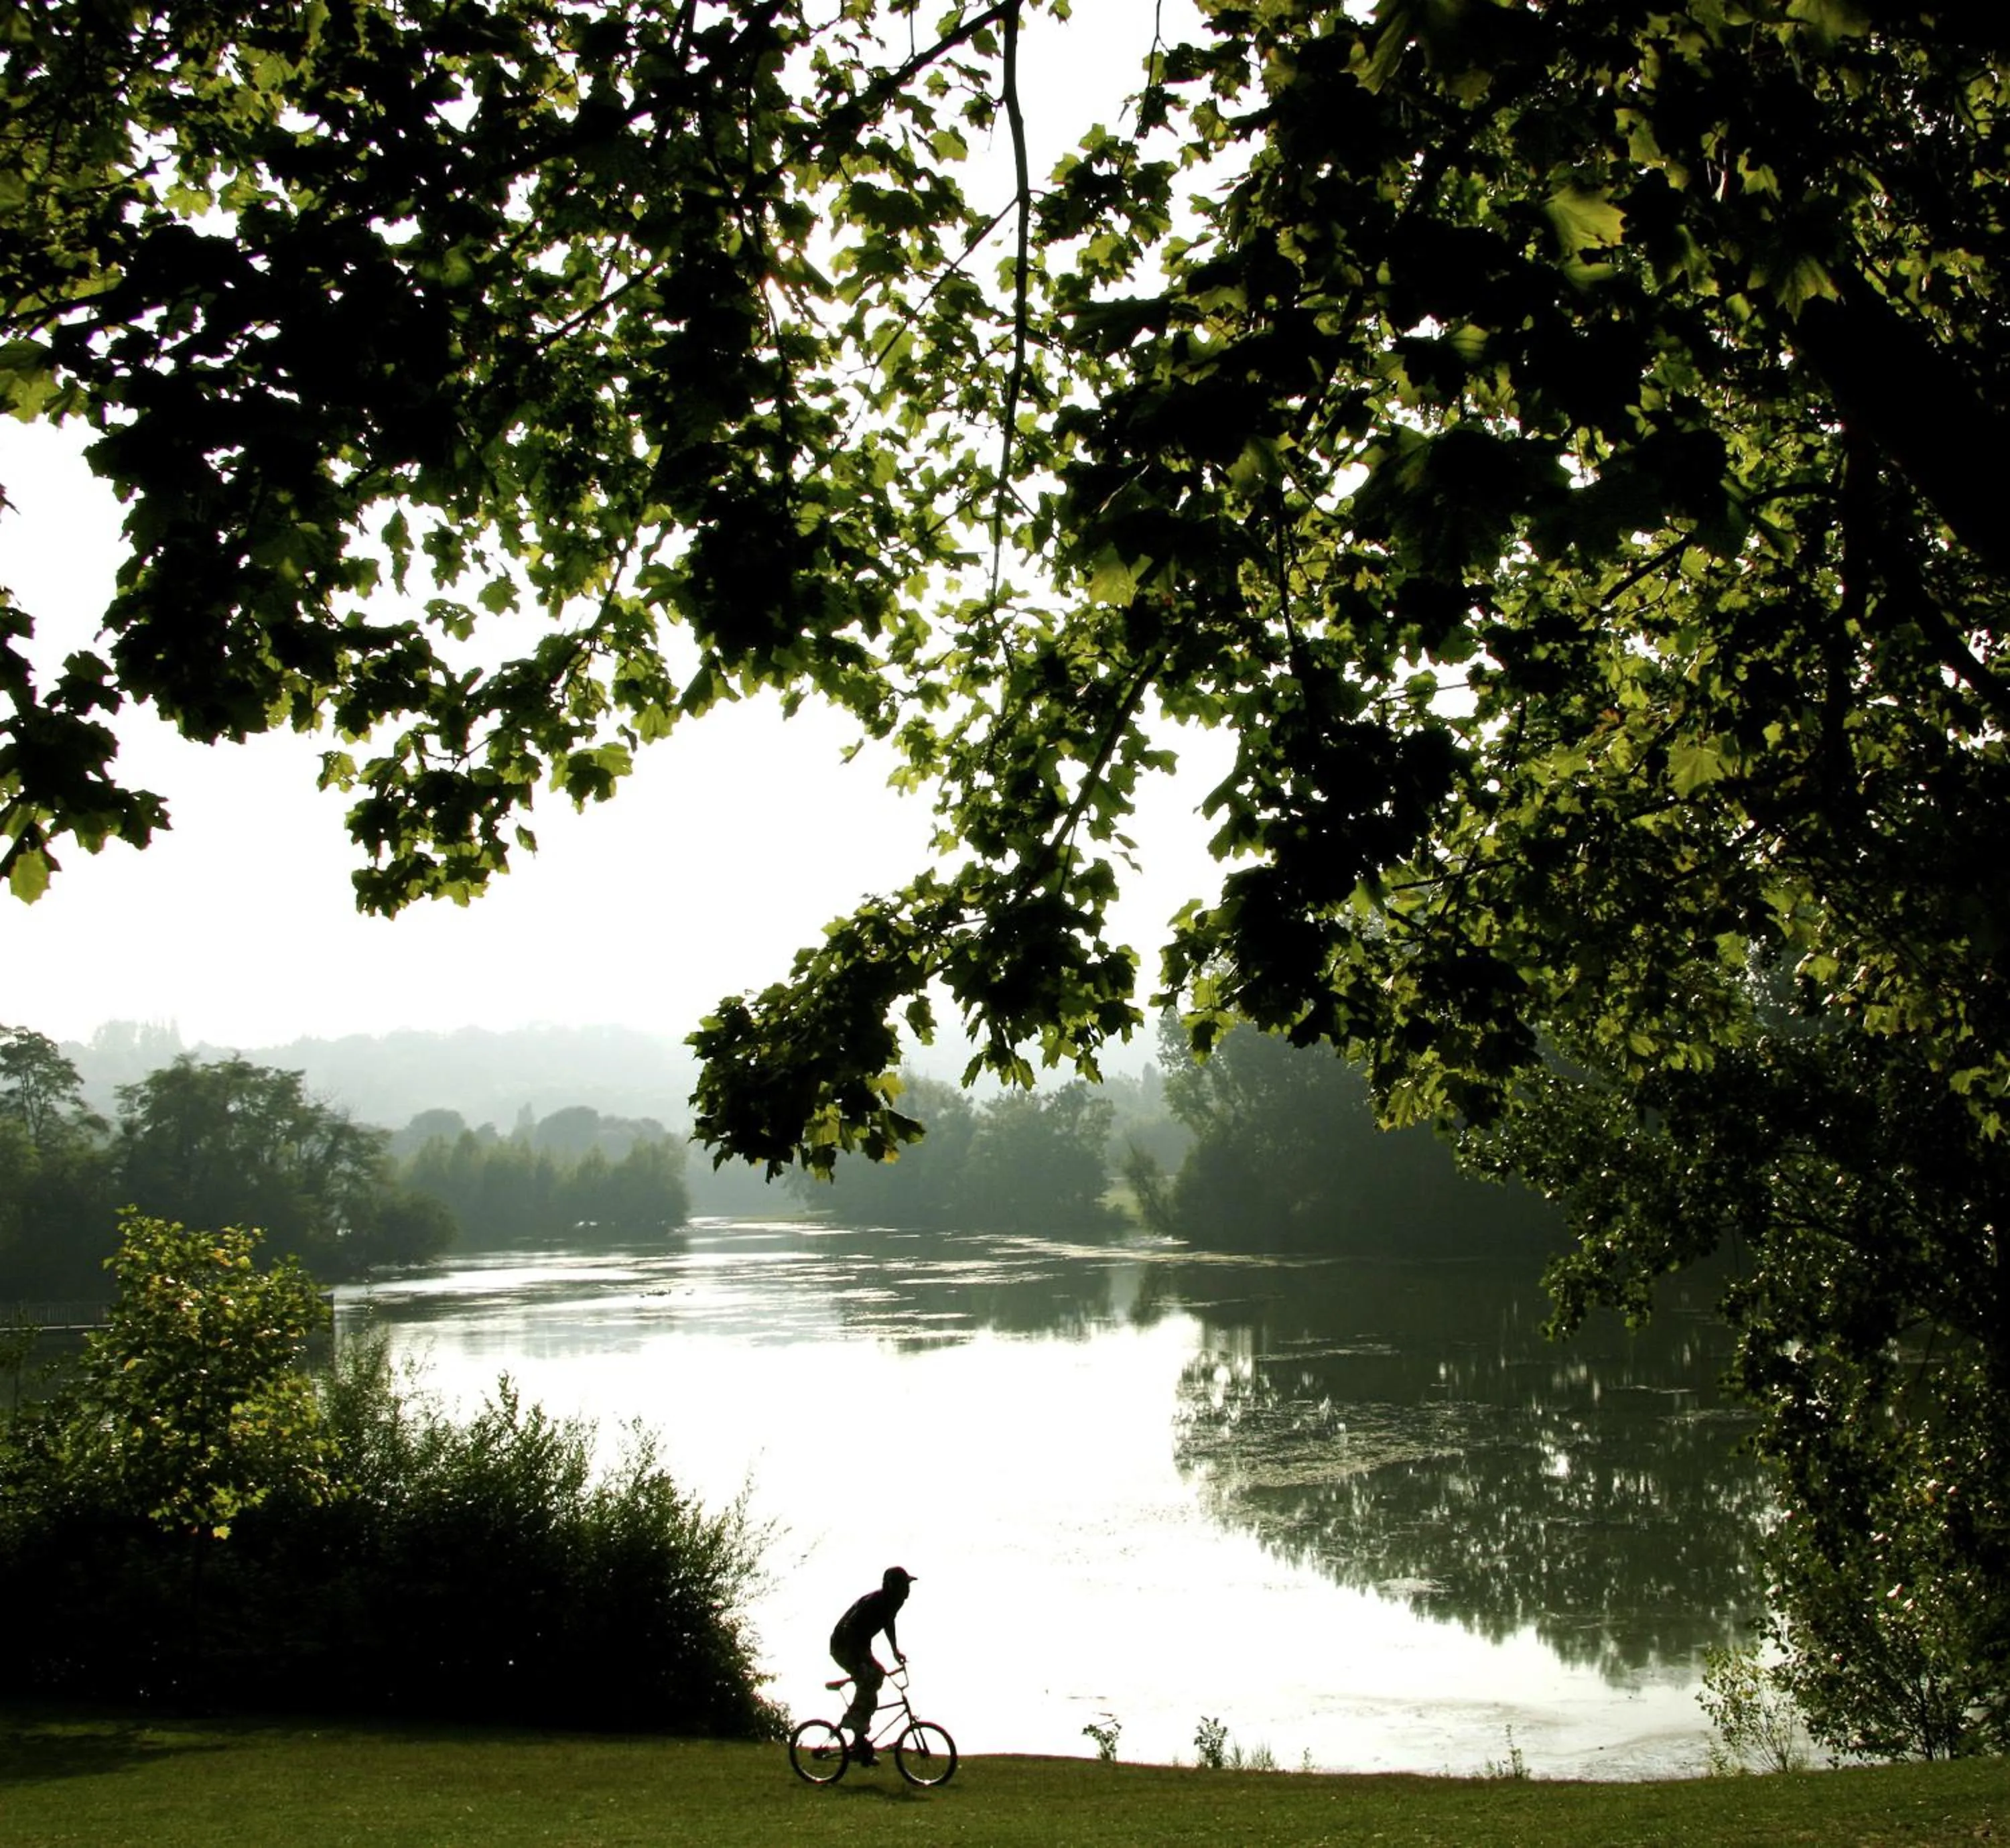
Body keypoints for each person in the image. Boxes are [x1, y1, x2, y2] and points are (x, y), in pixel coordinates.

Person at [828, 1566, 916, 1763]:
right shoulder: (874, 1602)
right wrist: (862, 1658)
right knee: (873, 1677)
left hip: (858, 1646)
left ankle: (859, 1744)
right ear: (891, 1586)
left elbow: (888, 1623)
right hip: (844, 1645)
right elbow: (850, 1627)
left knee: (872, 1685)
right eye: (904, 1586)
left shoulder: (894, 1602)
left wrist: (894, 1650)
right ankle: (853, 1719)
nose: (908, 1590)